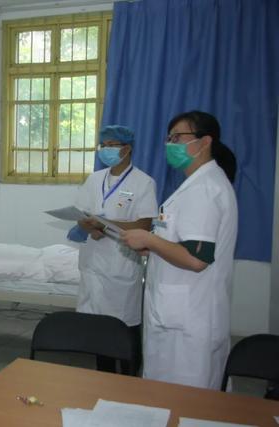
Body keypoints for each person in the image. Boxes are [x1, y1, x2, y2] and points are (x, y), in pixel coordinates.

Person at [121, 111, 237, 389]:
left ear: (205, 142)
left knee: (186, 400)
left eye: (177, 138)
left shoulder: (204, 189)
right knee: (168, 395)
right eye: (169, 138)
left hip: (188, 322)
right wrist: (155, 248)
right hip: (180, 315)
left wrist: (150, 240)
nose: (170, 144)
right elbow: (184, 245)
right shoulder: (196, 185)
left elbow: (197, 259)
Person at [69, 125, 158, 372]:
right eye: (103, 145)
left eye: (112, 145)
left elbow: (144, 225)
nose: (106, 150)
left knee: (125, 326)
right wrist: (90, 227)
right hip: (93, 263)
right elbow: (80, 215)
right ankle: (104, 377)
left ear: (127, 148)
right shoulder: (94, 179)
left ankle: (129, 378)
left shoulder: (143, 183)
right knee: (99, 329)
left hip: (121, 263)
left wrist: (104, 225)